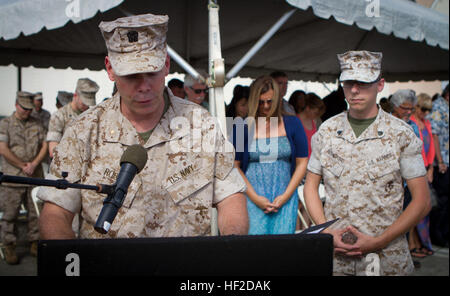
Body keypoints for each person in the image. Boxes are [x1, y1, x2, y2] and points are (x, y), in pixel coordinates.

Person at [38, 13, 248, 239]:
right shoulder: (83, 131)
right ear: (110, 69)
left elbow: (230, 197)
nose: (144, 86)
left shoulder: (201, 124)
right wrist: (73, 263)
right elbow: (56, 212)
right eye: (131, 76)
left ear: (166, 64)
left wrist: (231, 246)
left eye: (151, 72)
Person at [304, 50, 430, 276]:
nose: (354, 90)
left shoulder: (400, 134)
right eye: (348, 82)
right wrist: (326, 232)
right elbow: (310, 186)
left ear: (380, 84)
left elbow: (421, 200)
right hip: (335, 259)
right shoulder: (327, 131)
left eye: (363, 82)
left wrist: (379, 241)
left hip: (385, 260)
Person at [232, 75, 308, 234]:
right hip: (251, 198)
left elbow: (302, 162)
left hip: (285, 198)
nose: (266, 106)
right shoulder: (242, 127)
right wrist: (254, 198)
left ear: (279, 99)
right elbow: (235, 166)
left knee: (283, 250)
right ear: (254, 101)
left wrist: (286, 196)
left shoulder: (292, 123)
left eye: (270, 101)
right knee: (254, 249)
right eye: (261, 102)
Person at [0, 91, 48, 264]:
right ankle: (9, 244)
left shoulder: (38, 123)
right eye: (24, 108)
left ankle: (35, 243)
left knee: (36, 213)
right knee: (10, 213)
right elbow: (3, 149)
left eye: (29, 108)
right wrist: (22, 165)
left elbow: (45, 145)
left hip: (34, 176)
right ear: (16, 105)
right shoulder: (5, 123)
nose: (27, 111)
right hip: (13, 177)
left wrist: (34, 164)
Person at [407, 93, 435, 257]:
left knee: (424, 209)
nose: (425, 112)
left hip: (426, 169)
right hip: (416, 171)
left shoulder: (426, 123)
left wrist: (430, 168)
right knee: (414, 209)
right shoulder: (411, 123)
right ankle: (412, 244)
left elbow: (430, 146)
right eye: (423, 109)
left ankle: (421, 242)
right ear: (416, 107)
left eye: (428, 110)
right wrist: (423, 170)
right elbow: (416, 150)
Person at [46, 78, 99, 158]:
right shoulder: (59, 116)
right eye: (84, 102)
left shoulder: (92, 115)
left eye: (89, 103)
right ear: (75, 95)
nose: (87, 105)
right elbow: (53, 150)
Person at [429, 83, 449, 247]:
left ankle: (445, 233)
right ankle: (438, 235)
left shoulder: (446, 107)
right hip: (442, 164)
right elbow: (434, 135)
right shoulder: (438, 108)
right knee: (441, 202)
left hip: (447, 160)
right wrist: (440, 161)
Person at [295, 92, 325, 158]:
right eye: (315, 113)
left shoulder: (314, 121)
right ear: (308, 108)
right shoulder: (295, 121)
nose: (317, 115)